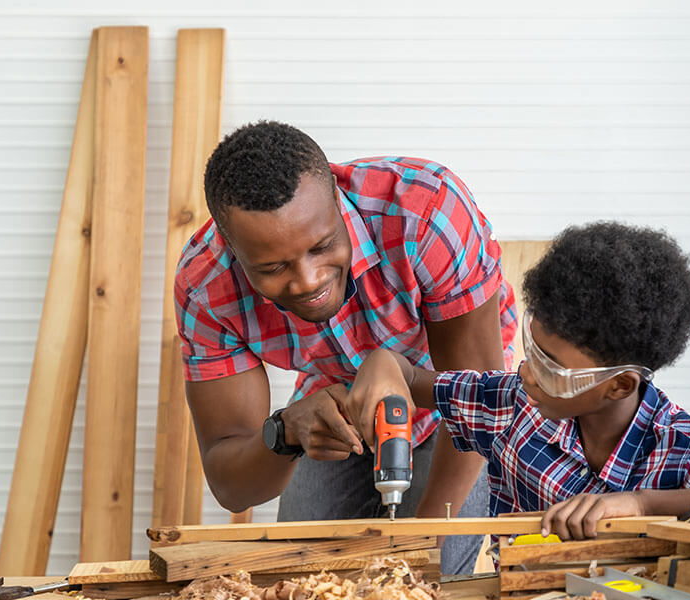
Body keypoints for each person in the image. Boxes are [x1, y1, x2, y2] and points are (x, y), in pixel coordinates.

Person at [174, 120, 518, 573]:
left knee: (434, 574)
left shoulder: (425, 212)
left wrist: (424, 550)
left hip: (452, 404)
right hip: (336, 394)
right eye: (274, 266)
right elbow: (233, 486)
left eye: (323, 246)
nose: (308, 280)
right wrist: (286, 433)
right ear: (232, 250)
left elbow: (481, 405)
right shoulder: (206, 286)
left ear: (338, 197)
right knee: (303, 576)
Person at [343, 221, 690, 541]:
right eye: (533, 349)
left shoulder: (678, 449)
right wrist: (382, 362)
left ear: (619, 385)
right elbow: (410, 376)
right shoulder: (512, 406)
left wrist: (640, 504)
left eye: (551, 367)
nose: (528, 372)